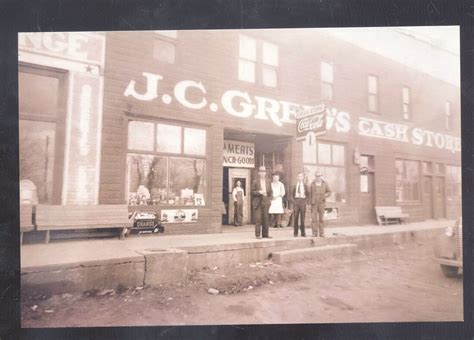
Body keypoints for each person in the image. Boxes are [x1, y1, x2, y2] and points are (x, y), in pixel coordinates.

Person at [251, 166, 273, 239]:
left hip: (266, 201)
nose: (262, 173)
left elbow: (271, 191)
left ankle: (265, 234)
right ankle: (257, 235)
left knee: (266, 218)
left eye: (264, 172)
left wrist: (270, 199)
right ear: (259, 173)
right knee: (258, 218)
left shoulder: (268, 181)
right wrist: (259, 192)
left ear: (265, 173)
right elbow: (252, 192)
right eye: (261, 172)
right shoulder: (255, 181)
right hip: (258, 202)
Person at [310, 170, 331, 237]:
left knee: (321, 219)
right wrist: (309, 204)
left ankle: (321, 233)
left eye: (319, 176)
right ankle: (314, 233)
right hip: (314, 204)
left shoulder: (325, 183)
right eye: (316, 176)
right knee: (314, 219)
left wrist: (325, 195)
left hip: (322, 203)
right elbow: (309, 194)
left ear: (321, 176)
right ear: (315, 176)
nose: (318, 177)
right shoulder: (312, 184)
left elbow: (329, 192)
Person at [291, 172, 310, 237]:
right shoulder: (294, 185)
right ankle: (295, 233)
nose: (300, 178)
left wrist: (305, 201)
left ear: (303, 177)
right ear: (297, 177)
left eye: (301, 176)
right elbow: (291, 195)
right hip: (296, 201)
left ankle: (303, 233)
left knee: (302, 219)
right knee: (295, 218)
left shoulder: (305, 186)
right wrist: (293, 201)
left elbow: (308, 194)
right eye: (298, 176)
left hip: (302, 202)